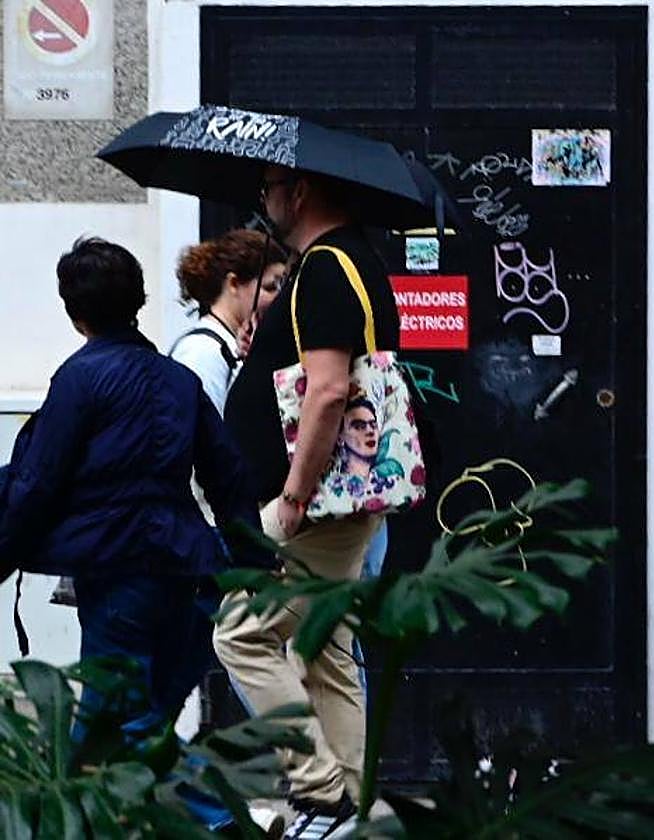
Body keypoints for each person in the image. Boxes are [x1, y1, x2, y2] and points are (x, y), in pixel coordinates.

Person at [0, 237, 272, 831]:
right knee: (122, 731)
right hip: (191, 573)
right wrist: (251, 559)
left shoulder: (80, 379)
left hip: (121, 574)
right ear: (139, 302)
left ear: (75, 312)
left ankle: (225, 823)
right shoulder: (178, 381)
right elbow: (230, 476)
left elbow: (38, 483)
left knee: (124, 729)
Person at [216, 165, 402, 839]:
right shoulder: (348, 262)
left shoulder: (325, 267)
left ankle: (320, 790)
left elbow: (326, 390)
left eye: (268, 187)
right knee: (324, 644)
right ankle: (347, 802)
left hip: (318, 500)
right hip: (342, 497)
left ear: (299, 192)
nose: (262, 199)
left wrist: (293, 494)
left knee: (238, 631)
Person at [171, 229, 290, 415]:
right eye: (270, 287)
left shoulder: (240, 344)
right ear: (233, 283)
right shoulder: (201, 352)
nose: (279, 297)